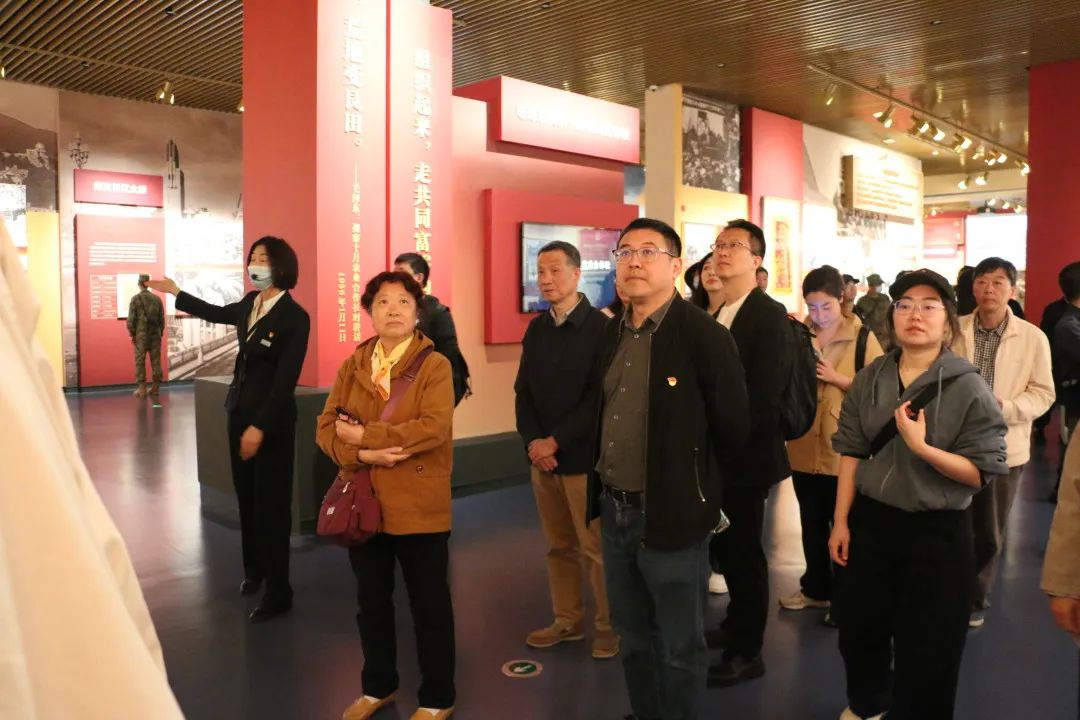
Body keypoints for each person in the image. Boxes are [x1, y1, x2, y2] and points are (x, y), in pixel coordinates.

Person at [830, 269, 1008, 720]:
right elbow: (851, 450)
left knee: (930, 645)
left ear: (947, 322)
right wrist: (841, 521)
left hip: (937, 532)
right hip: (871, 522)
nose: (915, 315)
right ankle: (869, 702)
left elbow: (981, 471)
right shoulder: (870, 378)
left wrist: (922, 448)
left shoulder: (969, 386)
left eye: (929, 306)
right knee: (859, 629)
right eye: (905, 305)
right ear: (892, 317)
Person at [590, 217, 748, 720]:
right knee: (633, 637)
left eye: (648, 252)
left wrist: (699, 496)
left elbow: (733, 430)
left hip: (673, 516)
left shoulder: (704, 336)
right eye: (624, 252)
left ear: (676, 266)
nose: (634, 262)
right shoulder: (612, 332)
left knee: (680, 646)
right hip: (615, 511)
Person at [316, 271, 456, 720]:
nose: (393, 310)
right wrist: (361, 454)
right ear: (370, 312)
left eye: (402, 302)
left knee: (429, 604)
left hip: (419, 503)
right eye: (382, 302)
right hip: (366, 501)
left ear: (418, 312)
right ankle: (378, 686)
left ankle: (437, 697)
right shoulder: (354, 363)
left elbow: (433, 427)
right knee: (371, 602)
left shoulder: (435, 365)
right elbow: (325, 428)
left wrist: (366, 436)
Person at [149, 237, 311, 623]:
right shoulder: (250, 304)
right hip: (238, 413)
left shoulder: (295, 317)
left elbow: (284, 382)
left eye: (264, 259)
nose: (256, 265)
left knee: (272, 507)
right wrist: (177, 292)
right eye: (253, 258)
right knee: (247, 499)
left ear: (282, 266)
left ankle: (279, 591)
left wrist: (260, 427)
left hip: (270, 424)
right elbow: (215, 312)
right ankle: (254, 571)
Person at [514, 240, 617, 659]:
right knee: (558, 547)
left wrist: (554, 441)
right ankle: (567, 621)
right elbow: (524, 392)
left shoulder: (602, 329)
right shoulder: (537, 329)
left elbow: (599, 398)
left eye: (555, 270)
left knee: (596, 549)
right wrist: (533, 443)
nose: (546, 279)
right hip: (543, 462)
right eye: (540, 271)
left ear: (577, 274)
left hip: (582, 460)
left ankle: (609, 627)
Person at [706, 219, 793, 687]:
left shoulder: (767, 314)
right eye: (719, 245)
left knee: (743, 554)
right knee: (725, 548)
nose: (722, 252)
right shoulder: (722, 310)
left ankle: (748, 651)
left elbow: (763, 395)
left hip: (746, 459)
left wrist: (722, 438)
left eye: (734, 245)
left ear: (757, 259)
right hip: (719, 458)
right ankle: (735, 624)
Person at [952, 257, 1054, 627]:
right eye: (982, 281)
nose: (989, 289)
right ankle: (948, 592)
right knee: (951, 522)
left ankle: (974, 599)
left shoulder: (1032, 337)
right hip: (954, 444)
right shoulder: (954, 330)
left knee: (989, 530)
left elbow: (1043, 393)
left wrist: (1006, 408)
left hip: (1003, 447)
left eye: (998, 282)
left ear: (1012, 290)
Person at [781, 266, 882, 622]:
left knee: (845, 527)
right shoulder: (798, 335)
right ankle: (816, 589)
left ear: (841, 298)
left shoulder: (863, 337)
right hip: (802, 445)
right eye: (812, 307)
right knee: (810, 522)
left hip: (843, 452)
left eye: (826, 306)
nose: (819, 315)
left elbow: (878, 391)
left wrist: (837, 378)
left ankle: (845, 598)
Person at [393, 252, 470, 405]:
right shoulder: (395, 310)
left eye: (401, 272)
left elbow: (449, 355)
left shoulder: (437, 312)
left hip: (429, 390)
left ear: (418, 278)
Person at [127, 273, 165, 398]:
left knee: (140, 361)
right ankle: (155, 388)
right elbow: (161, 320)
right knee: (156, 361)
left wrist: (133, 334)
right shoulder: (157, 299)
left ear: (139, 284)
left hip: (141, 336)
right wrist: (160, 333)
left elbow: (131, 321)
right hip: (155, 335)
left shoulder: (135, 299)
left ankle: (142, 389)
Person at [855, 274, 891, 348]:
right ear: (870, 286)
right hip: (872, 336)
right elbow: (860, 319)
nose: (880, 287)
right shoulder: (863, 301)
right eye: (878, 285)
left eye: (880, 284)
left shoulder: (885, 298)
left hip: (886, 336)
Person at [691, 252, 725, 318]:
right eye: (706, 268)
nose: (711, 273)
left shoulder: (737, 310)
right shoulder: (692, 313)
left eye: (718, 266)